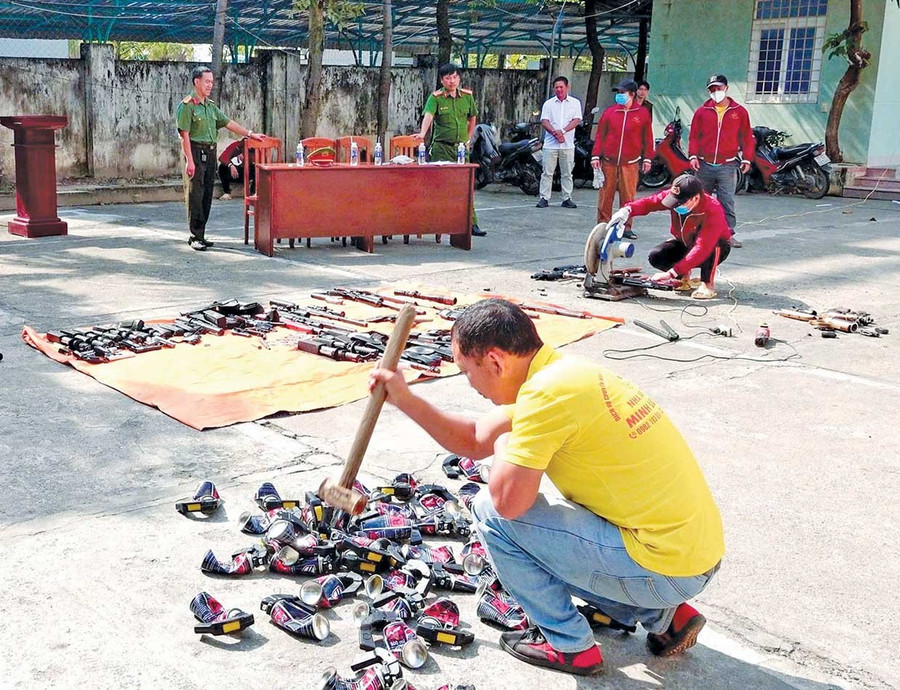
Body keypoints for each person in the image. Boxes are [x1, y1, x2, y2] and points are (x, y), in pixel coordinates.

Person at [369, 299, 724, 676]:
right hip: (688, 556)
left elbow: (508, 505)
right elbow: (474, 438)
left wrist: (506, 447)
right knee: (546, 535)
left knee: (490, 514)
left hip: (665, 566)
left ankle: (570, 645)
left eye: (466, 371)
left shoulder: (545, 397)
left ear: (494, 361)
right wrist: (405, 400)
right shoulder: (562, 374)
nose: (469, 383)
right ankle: (667, 619)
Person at [175, 66, 265, 251]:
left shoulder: (210, 106)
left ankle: (201, 234)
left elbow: (228, 123)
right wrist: (189, 161)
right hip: (195, 152)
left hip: (210, 153)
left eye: (211, 82)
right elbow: (184, 135)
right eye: (206, 81)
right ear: (196, 82)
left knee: (207, 194)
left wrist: (250, 133)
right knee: (195, 195)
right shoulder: (187, 106)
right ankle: (195, 236)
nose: (210, 85)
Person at [609, 173, 731, 300]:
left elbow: (702, 247)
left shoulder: (712, 209)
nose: (675, 205)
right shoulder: (675, 197)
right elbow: (649, 203)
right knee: (657, 255)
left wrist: (671, 273)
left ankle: (708, 284)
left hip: (714, 247)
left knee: (714, 245)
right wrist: (627, 210)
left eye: (679, 203)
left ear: (695, 198)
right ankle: (684, 277)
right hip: (685, 242)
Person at [415, 63, 486, 237]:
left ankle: (472, 223)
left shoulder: (467, 97)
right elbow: (429, 116)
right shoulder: (436, 98)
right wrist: (423, 133)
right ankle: (439, 222)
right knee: (440, 187)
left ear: (459, 78)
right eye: (447, 78)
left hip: (461, 149)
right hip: (441, 148)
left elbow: (472, 117)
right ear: (442, 80)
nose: (451, 81)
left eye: (454, 77)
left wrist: (468, 139)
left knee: (466, 187)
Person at [688, 74, 754, 249]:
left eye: (719, 88)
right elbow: (694, 136)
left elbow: (747, 137)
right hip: (704, 164)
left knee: (726, 201)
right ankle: (697, 233)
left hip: (727, 164)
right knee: (700, 200)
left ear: (726, 88)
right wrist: (693, 155)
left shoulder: (739, 112)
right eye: (712, 89)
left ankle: (728, 234)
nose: (716, 92)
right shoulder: (702, 112)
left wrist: (747, 158)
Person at [591, 79, 654, 241]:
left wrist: (647, 159)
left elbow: (648, 139)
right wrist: (595, 156)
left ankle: (626, 227)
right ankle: (603, 225)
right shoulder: (610, 113)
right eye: (618, 93)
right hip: (608, 162)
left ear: (632, 94)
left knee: (628, 197)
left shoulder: (642, 114)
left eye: (622, 93)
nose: (619, 96)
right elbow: (600, 136)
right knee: (606, 196)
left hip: (630, 163)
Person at [536, 76, 582, 209]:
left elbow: (576, 120)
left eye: (561, 87)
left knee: (567, 172)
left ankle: (567, 198)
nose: (559, 89)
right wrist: (555, 133)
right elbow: (545, 121)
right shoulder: (549, 104)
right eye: (556, 87)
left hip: (567, 145)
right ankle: (544, 198)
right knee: (547, 172)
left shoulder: (575, 103)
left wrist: (563, 131)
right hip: (551, 144)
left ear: (567, 87)